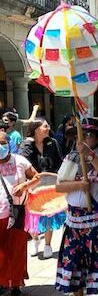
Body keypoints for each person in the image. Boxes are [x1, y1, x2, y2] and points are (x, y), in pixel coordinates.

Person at [55, 118, 98, 296]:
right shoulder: (71, 158)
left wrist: (90, 155)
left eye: (87, 135)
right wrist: (79, 185)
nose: (81, 139)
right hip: (74, 223)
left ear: (97, 138)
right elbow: (59, 186)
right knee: (75, 265)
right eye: (78, 135)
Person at [0, 131, 40, 296]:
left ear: (9, 143)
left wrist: (24, 186)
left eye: (3, 142)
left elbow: (38, 177)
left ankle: (15, 282)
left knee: (16, 250)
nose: (1, 147)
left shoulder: (20, 161)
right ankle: (2, 282)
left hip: (16, 214)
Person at [19, 118, 63, 259]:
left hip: (50, 184)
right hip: (33, 186)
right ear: (36, 129)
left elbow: (59, 161)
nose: (48, 127)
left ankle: (48, 245)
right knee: (33, 216)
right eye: (45, 126)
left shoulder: (52, 142)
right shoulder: (26, 145)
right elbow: (23, 165)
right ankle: (36, 239)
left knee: (49, 214)